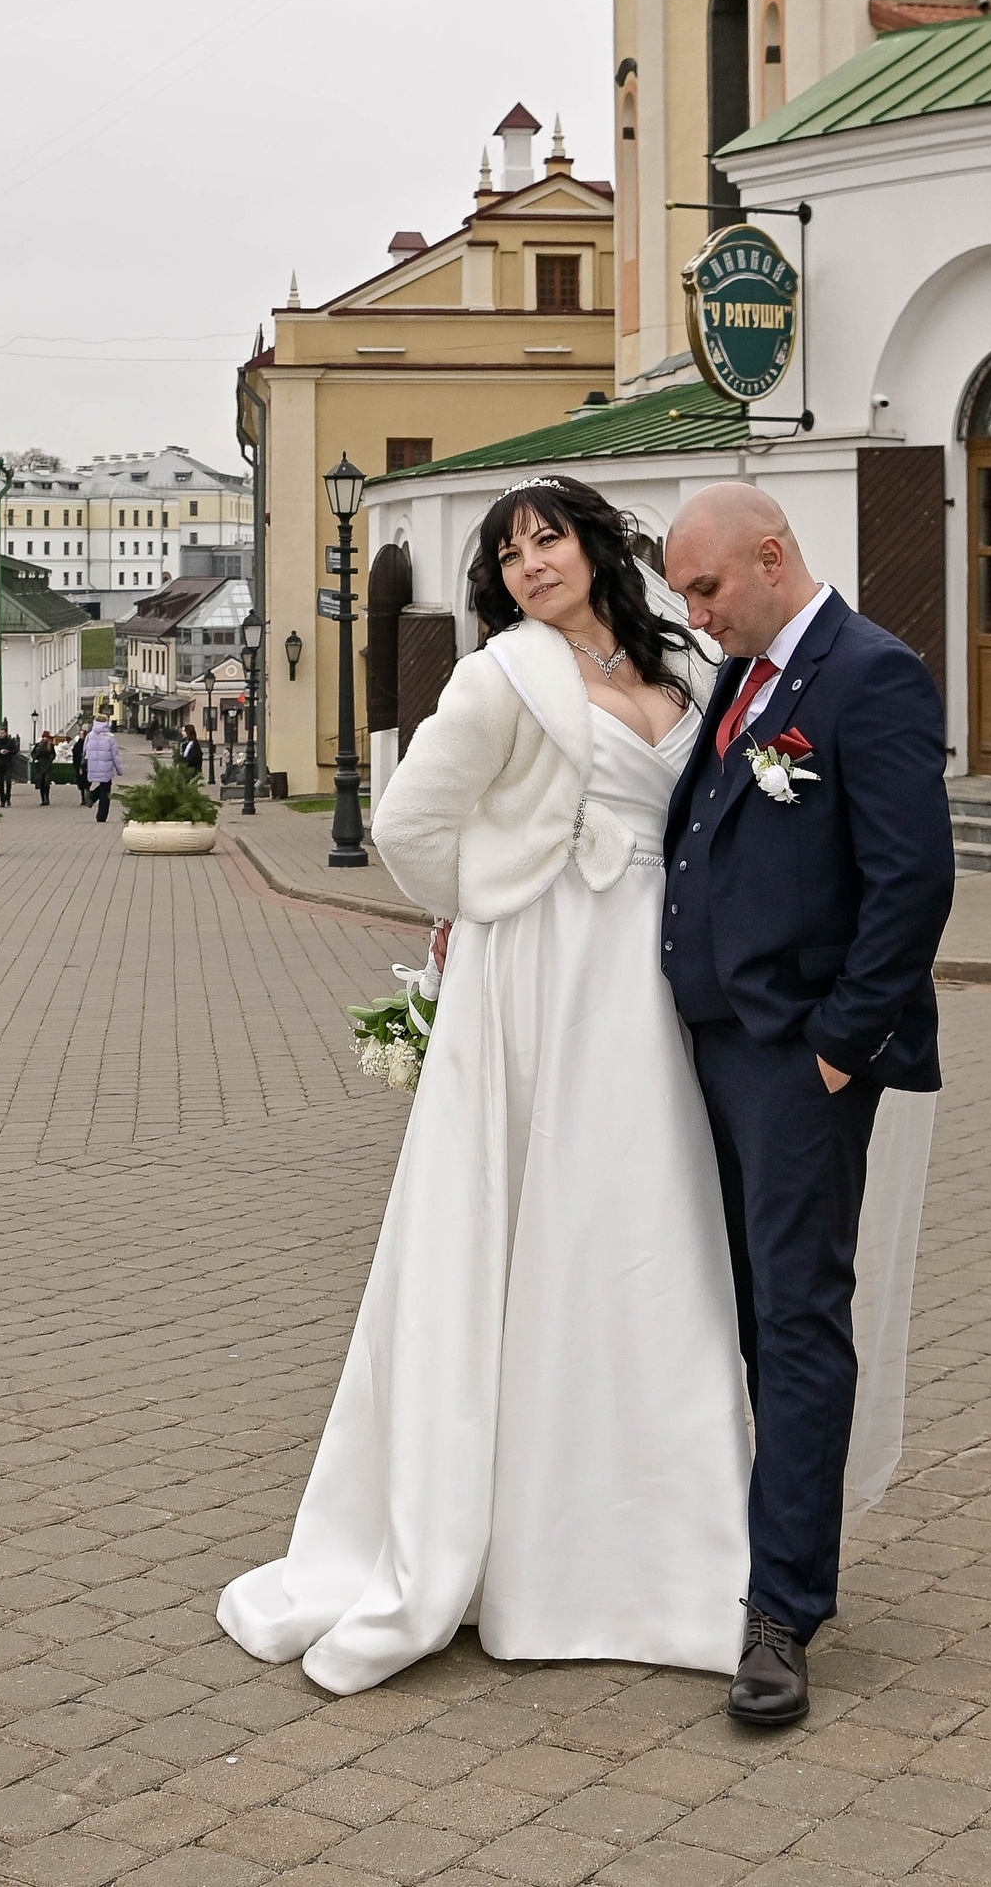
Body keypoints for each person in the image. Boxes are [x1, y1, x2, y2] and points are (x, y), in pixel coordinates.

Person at [218, 473, 755, 1693]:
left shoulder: (675, 669)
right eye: (508, 553)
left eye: (548, 538)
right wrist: (507, 889)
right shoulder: (502, 672)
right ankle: (499, 1545)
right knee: (522, 1226)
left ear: (595, 546)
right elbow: (412, 827)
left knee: (638, 1229)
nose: (530, 564)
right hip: (541, 975)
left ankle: (653, 1553)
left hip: (647, 984)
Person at [661, 482, 954, 1725]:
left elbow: (912, 879)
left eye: (707, 588)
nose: (695, 613)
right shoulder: (741, 680)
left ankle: (783, 1611)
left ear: (770, 557)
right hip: (709, 1052)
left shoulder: (868, 675)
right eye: (681, 593)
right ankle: (732, 1552)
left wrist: (839, 1046)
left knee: (794, 1323)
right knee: (738, 1315)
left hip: (795, 1062)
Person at [82, 716, 122, 822]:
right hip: (106, 767)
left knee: (103, 787)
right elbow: (115, 755)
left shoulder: (90, 735)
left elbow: (84, 751)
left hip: (93, 766)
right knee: (106, 790)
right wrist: (119, 769)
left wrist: (85, 764)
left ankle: (92, 796)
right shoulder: (110, 737)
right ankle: (101, 815)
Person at [0, 720, 20, 807]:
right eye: (0, 733)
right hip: (0, 764)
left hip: (8, 763)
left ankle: (8, 798)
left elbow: (15, 750)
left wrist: (8, 751)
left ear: (6, 733)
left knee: (8, 781)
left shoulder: (10, 741)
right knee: (1, 783)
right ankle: (2, 800)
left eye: (2, 733)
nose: (1, 734)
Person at [30, 729, 57, 805]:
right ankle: (42, 799)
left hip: (47, 765)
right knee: (41, 782)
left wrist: (51, 759)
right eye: (44, 737)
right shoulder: (38, 745)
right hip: (40, 765)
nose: (44, 739)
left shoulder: (50, 746)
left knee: (46, 782)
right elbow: (33, 753)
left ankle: (47, 798)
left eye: (46, 737)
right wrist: (35, 759)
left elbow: (53, 754)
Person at [71, 729, 91, 805]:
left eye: (82, 734)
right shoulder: (77, 745)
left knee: (87, 782)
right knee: (80, 782)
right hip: (79, 766)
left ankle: (88, 795)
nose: (81, 736)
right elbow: (74, 755)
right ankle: (83, 797)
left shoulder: (89, 744)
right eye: (80, 734)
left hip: (87, 765)